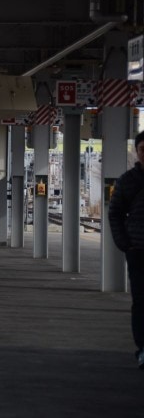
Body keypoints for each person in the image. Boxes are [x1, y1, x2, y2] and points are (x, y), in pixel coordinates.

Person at [108, 130, 144, 370]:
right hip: (139, 251)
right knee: (141, 301)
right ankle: (143, 348)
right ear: (137, 152)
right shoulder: (128, 180)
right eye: (143, 150)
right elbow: (115, 213)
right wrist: (125, 243)